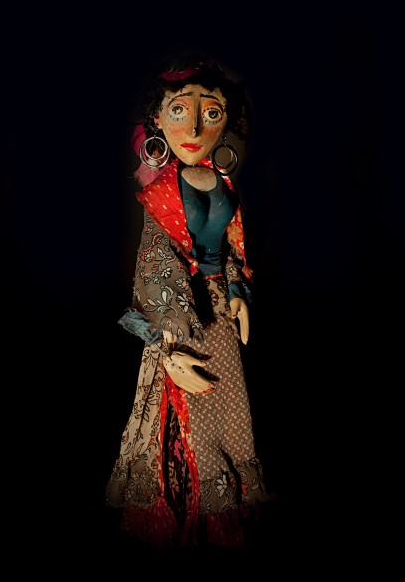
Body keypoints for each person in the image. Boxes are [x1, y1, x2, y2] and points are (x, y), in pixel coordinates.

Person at [106, 53, 273, 550]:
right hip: (178, 317)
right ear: (157, 119)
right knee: (185, 414)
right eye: (179, 111)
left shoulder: (223, 182)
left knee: (227, 410)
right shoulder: (159, 191)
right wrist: (167, 346)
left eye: (211, 113)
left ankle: (223, 514)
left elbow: (232, 246)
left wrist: (238, 291)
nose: (195, 128)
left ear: (228, 120)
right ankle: (183, 518)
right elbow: (154, 265)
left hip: (220, 313)